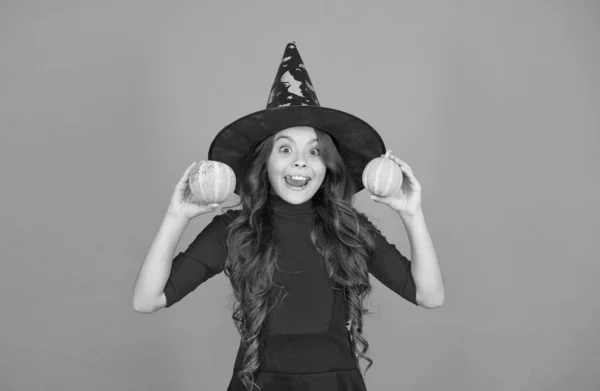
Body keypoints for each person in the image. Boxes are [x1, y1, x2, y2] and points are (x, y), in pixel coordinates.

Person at [133, 42, 444, 391]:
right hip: (258, 383)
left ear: (327, 166)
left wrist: (412, 214)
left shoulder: (350, 229)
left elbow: (429, 296)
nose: (300, 162)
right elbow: (147, 300)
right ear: (264, 164)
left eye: (314, 152)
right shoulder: (234, 230)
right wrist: (178, 216)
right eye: (284, 149)